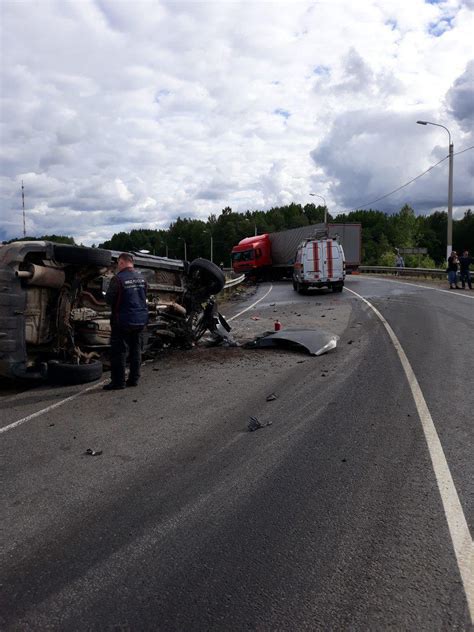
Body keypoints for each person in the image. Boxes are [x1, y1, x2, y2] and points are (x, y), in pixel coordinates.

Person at [103, 253, 148, 390]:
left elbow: (109, 300)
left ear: (121, 262)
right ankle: (134, 379)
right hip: (140, 320)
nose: (117, 266)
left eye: (118, 264)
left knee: (119, 352)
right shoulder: (142, 278)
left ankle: (118, 382)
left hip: (122, 321)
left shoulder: (117, 279)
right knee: (136, 350)